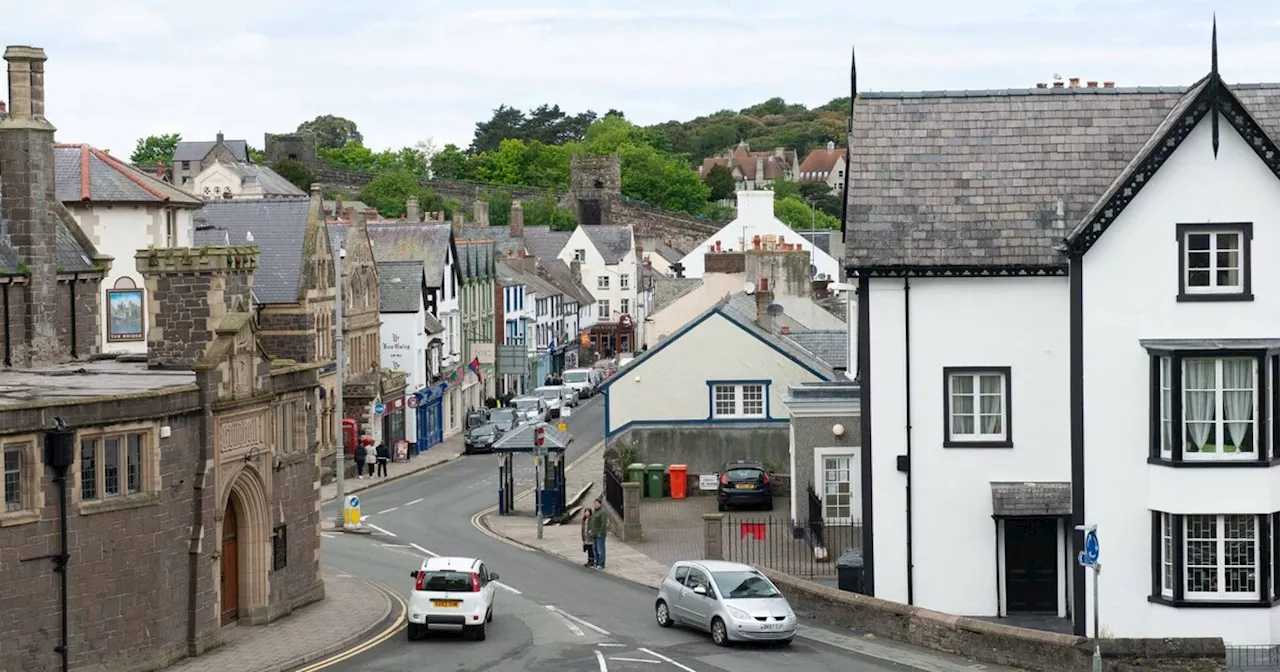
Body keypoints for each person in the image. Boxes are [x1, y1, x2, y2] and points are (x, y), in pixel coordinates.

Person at [588, 496, 610, 569]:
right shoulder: (594, 512)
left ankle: (601, 564)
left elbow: (603, 523)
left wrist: (600, 532)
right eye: (595, 503)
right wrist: (591, 530)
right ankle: (596, 562)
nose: (595, 505)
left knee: (600, 549)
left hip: (600, 534)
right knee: (595, 549)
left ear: (600, 504)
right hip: (594, 534)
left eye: (597, 503)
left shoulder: (602, 512)